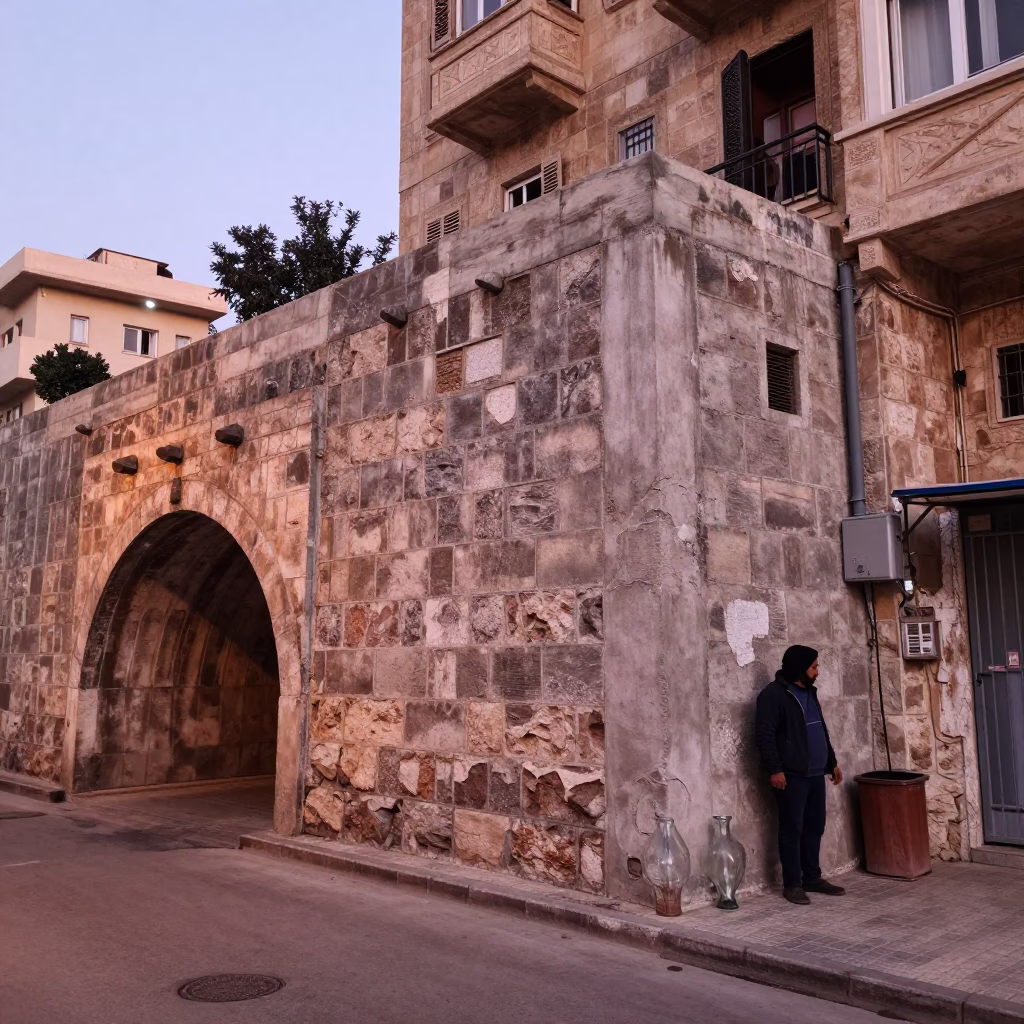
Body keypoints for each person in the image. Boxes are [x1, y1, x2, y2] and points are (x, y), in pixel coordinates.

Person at [755, 644, 846, 905]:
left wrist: (832, 762)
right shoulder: (774, 695)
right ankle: (793, 883)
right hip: (791, 775)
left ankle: (812, 877)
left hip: (816, 774)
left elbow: (820, 728)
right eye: (814, 667)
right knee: (792, 828)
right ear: (799, 668)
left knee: (814, 827)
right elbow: (764, 736)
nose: (818, 672)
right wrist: (775, 769)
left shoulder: (810, 692)